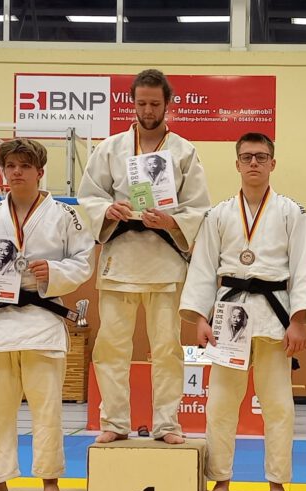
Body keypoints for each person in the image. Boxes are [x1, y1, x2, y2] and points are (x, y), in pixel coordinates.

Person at [0, 138, 95, 491]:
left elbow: (83, 261)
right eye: (11, 166)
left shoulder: (64, 215)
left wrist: (55, 270)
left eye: (24, 166)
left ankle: (49, 479)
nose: (16, 172)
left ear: (40, 172)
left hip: (41, 319)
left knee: (46, 408)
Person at [180, 132, 306, 491]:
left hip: (275, 313)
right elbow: (203, 267)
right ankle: (221, 479)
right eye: (246, 157)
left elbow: (302, 268)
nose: (253, 163)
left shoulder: (292, 212)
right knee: (221, 403)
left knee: (278, 405)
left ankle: (277, 482)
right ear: (237, 164)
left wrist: (299, 320)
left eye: (260, 156)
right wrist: (200, 317)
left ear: (273, 163)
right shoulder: (218, 214)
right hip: (229, 312)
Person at [79, 68, 210, 445]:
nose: (148, 110)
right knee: (111, 346)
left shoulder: (184, 151)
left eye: (155, 103)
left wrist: (172, 221)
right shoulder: (110, 148)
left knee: (167, 348)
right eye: (141, 103)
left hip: (164, 261)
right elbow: (89, 195)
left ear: (168, 104)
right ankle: (114, 421)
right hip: (120, 258)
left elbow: (199, 206)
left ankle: (167, 423)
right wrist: (107, 210)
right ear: (132, 103)